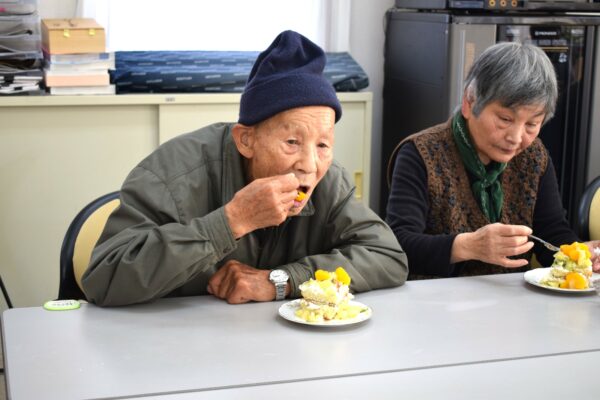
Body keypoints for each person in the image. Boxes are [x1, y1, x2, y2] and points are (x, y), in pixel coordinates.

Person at [82, 30, 408, 306]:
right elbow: (103, 278)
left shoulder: (329, 181)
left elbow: (388, 256)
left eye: (323, 145)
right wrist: (230, 221)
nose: (310, 165)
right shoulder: (174, 174)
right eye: (292, 142)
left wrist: (282, 280)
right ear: (246, 140)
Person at [386, 42, 600, 279]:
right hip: (436, 295)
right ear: (469, 102)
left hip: (511, 294)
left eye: (531, 124)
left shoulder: (534, 157)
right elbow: (398, 244)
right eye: (505, 119)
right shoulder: (420, 154)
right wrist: (467, 246)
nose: (516, 138)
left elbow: (550, 232)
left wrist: (578, 253)